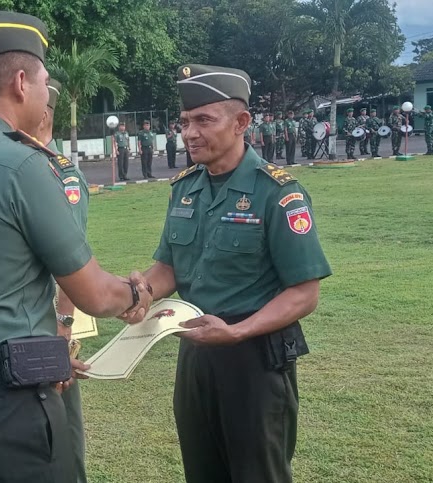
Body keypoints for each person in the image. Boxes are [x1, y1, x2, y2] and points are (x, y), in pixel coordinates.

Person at [0, 8, 153, 482]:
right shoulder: (23, 167)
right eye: (43, 82)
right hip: (6, 403)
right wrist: (137, 294)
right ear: (21, 82)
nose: (44, 94)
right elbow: (95, 294)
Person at [132, 63, 332, 483]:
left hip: (254, 358)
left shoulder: (278, 193)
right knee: (202, 470)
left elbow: (304, 293)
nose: (189, 133)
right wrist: (142, 290)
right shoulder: (186, 186)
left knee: (258, 473)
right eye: (185, 121)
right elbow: (169, 265)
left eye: (204, 120)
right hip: (195, 350)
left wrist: (238, 332)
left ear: (242, 122)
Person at [35, 77, 91, 483]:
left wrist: (63, 328)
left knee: (63, 433)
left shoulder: (62, 176)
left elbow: (69, 264)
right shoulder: (20, 169)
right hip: (24, 328)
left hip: (52, 324)